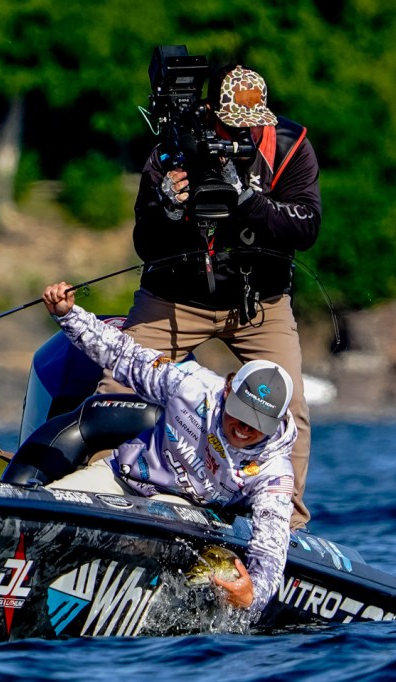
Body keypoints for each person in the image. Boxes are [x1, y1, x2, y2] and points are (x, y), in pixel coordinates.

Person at [99, 63, 321, 530]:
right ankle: (97, 500)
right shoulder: (174, 146)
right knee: (118, 385)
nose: (241, 135)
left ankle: (288, 525)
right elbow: (145, 244)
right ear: (210, 112)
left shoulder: (289, 145)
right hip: (175, 297)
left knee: (292, 408)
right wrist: (167, 206)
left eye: (251, 125)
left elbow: (306, 227)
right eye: (231, 126)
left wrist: (250, 201)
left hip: (258, 302)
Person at [42, 281, 296, 616]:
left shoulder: (275, 470)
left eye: (258, 423)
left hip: (187, 511)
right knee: (46, 509)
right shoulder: (190, 386)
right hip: (122, 476)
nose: (245, 428)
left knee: (135, 532)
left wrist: (253, 597)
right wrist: (68, 315)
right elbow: (123, 354)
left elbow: (270, 549)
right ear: (227, 391)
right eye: (241, 413)